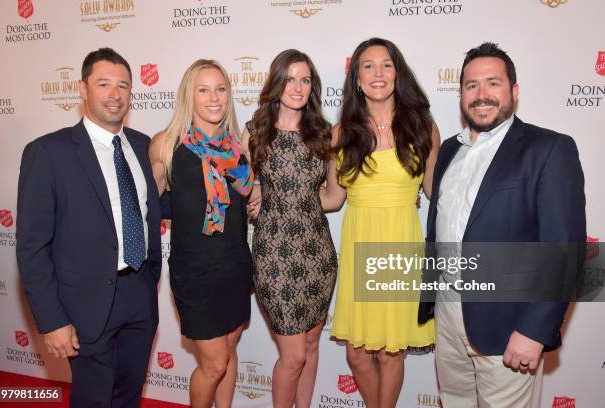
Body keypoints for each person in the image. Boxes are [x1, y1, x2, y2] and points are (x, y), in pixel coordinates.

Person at [417, 42, 586, 407]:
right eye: (471, 85)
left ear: (514, 91)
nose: (482, 95)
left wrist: (534, 329)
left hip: (508, 319)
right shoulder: (449, 149)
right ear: (461, 93)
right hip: (447, 312)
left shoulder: (549, 149)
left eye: (493, 83)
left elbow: (563, 250)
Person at [16, 48, 161, 407]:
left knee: (128, 395)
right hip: (84, 304)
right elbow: (32, 247)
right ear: (83, 89)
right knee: (93, 399)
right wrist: (51, 321)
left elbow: (156, 209)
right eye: (104, 84)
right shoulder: (48, 153)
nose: (115, 94)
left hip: (139, 293)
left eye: (123, 86)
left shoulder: (145, 146)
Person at [320, 38, 440, 407]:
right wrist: (275, 194)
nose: (378, 73)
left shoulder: (422, 126)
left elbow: (437, 193)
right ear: (356, 79)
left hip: (402, 247)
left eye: (386, 65)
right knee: (357, 354)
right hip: (359, 247)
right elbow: (332, 198)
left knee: (391, 352)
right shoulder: (341, 133)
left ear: (397, 73)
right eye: (368, 66)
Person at [149, 59, 253, 408]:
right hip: (195, 273)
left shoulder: (238, 149)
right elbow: (150, 207)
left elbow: (249, 199)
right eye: (204, 90)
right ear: (188, 96)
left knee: (229, 351)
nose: (214, 98)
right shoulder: (166, 146)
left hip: (236, 267)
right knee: (214, 363)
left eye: (221, 89)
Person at [242, 49, 337, 408]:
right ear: (276, 82)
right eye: (290, 78)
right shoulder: (253, 131)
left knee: (312, 346)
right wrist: (259, 190)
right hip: (274, 256)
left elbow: (333, 197)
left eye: (305, 80)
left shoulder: (324, 134)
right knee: (294, 354)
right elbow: (242, 187)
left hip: (318, 254)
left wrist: (292, 198)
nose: (297, 87)